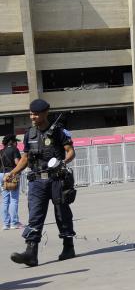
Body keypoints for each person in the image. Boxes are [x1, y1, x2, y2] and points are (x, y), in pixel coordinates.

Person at [4, 99, 77, 267]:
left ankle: (68, 246)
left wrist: (63, 163)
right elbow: (25, 158)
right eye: (30, 113)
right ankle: (31, 253)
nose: (32, 117)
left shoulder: (59, 131)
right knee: (35, 215)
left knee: (62, 213)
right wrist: (13, 172)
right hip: (36, 180)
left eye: (35, 114)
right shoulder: (29, 134)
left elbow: (71, 152)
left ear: (45, 113)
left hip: (57, 179)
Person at [1, 134, 23, 230]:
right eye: (16, 141)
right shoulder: (14, 150)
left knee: (5, 200)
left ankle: (6, 224)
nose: (16, 143)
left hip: (2, 175)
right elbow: (17, 163)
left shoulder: (1, 151)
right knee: (14, 199)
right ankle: (14, 223)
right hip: (12, 174)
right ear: (13, 142)